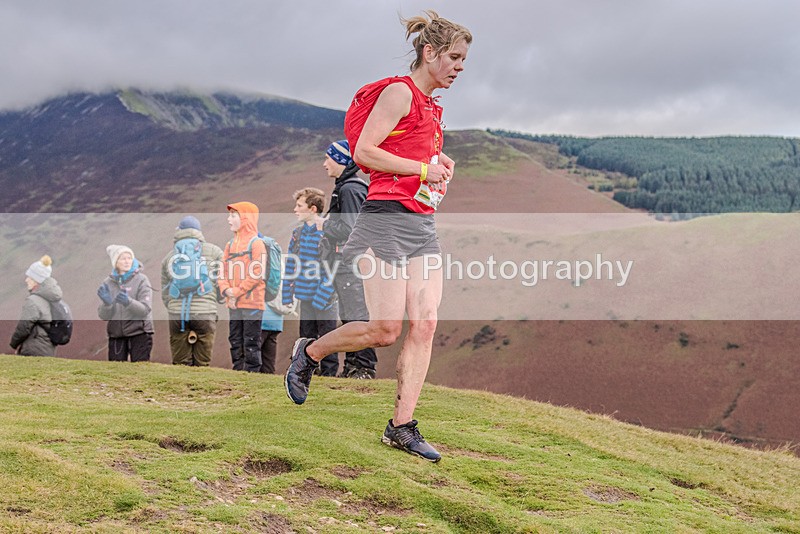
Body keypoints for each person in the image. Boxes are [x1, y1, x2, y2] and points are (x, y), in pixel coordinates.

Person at [285, 10, 471, 462]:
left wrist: (439, 164)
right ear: (430, 52)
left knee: (425, 322)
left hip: (421, 223)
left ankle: (401, 427)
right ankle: (309, 353)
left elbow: (410, 153)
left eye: (464, 60)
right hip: (384, 219)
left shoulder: (431, 106)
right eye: (454, 57)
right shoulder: (399, 93)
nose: (460, 67)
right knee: (385, 330)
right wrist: (422, 168)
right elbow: (365, 152)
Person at [321, 140, 378, 379]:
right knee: (349, 314)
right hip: (347, 263)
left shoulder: (349, 190)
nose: (325, 163)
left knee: (356, 314)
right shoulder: (347, 187)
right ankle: (353, 366)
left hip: (351, 264)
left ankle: (363, 367)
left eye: (329, 158)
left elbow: (351, 228)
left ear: (341, 160)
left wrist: (324, 225)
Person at [282, 188, 339, 376]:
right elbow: (291, 265)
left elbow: (333, 266)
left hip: (326, 299)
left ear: (313, 209)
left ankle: (329, 378)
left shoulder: (328, 233)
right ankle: (306, 376)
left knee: (329, 339)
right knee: (306, 339)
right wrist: (287, 295)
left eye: (299, 206)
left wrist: (323, 295)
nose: (295, 209)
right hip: (304, 297)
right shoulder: (297, 234)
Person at [161, 215, 224, 367]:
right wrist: (216, 298)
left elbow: (165, 290)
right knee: (202, 362)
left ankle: (181, 382)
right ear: (198, 232)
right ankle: (201, 381)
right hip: (205, 312)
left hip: (178, 314)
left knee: (181, 362)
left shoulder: (169, 256)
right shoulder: (214, 252)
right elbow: (223, 281)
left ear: (179, 231)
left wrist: (172, 306)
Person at [218, 202, 266, 373]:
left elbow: (257, 272)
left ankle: (252, 375)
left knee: (251, 342)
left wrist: (235, 292)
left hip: (252, 303)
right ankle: (238, 373)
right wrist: (226, 290)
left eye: (233, 215)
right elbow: (222, 270)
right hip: (234, 303)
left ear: (245, 218)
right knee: (235, 340)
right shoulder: (230, 244)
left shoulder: (256, 243)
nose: (229, 219)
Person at [97, 245, 154, 362]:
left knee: (140, 370)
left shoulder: (142, 280)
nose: (127, 261)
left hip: (139, 333)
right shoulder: (108, 283)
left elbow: (145, 310)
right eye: (123, 258)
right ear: (115, 262)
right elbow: (103, 316)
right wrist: (107, 304)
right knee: (115, 370)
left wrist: (128, 302)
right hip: (116, 335)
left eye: (129, 258)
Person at [10, 255, 63, 356]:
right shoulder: (52, 299)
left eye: (30, 277)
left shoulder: (33, 301)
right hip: (48, 349)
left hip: (33, 350)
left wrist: (13, 343)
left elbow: (24, 327)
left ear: (36, 281)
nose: (26, 280)